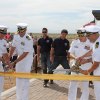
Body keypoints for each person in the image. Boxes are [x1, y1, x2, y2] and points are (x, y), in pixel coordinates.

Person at [8, 23, 34, 100]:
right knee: (18, 78)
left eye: (22, 31)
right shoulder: (16, 35)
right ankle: (18, 98)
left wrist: (14, 62)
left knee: (25, 79)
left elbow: (25, 54)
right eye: (19, 31)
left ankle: (24, 98)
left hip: (27, 59)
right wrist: (9, 59)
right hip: (20, 57)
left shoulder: (28, 38)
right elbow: (13, 47)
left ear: (25, 30)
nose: (20, 33)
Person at [68, 28, 93, 100]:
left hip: (86, 67)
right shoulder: (75, 42)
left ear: (85, 35)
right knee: (72, 84)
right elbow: (70, 54)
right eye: (79, 35)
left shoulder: (91, 43)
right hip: (75, 66)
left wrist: (87, 60)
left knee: (85, 86)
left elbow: (95, 57)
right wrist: (75, 57)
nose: (80, 37)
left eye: (81, 35)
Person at [80, 25, 100, 100]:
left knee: (98, 93)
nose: (87, 37)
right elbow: (92, 51)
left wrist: (87, 71)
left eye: (88, 35)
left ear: (94, 34)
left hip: (99, 74)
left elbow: (96, 63)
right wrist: (82, 57)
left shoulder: (98, 44)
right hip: (97, 73)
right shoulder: (96, 42)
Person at [0, 25, 9, 100]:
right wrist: (4, 62)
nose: (4, 35)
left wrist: (9, 64)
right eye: (3, 34)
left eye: (5, 34)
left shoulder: (3, 41)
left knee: (1, 83)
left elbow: (5, 54)